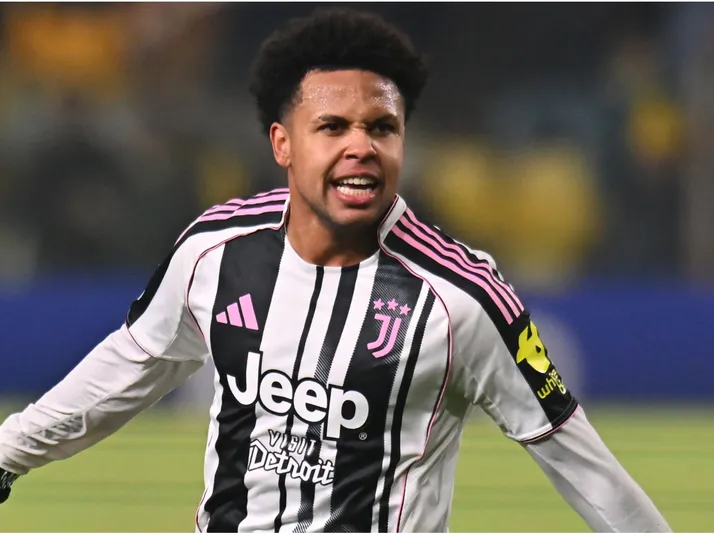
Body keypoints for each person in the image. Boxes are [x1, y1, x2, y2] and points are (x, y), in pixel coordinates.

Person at [0, 8, 671, 533]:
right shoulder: (215, 252)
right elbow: (126, 369)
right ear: (283, 144)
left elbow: (580, 463)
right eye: (333, 127)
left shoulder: (460, 299)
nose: (361, 146)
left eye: (382, 127)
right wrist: (7, 452)